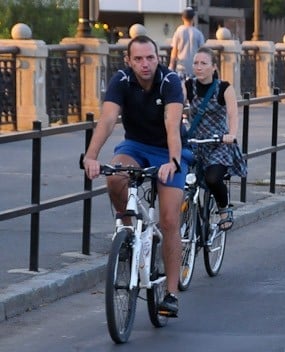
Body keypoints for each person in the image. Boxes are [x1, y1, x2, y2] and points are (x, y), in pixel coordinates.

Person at [82, 35, 187, 317]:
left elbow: (173, 125)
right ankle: (127, 231)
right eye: (138, 59)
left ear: (158, 58)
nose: (145, 64)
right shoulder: (121, 80)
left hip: (168, 149)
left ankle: (171, 293)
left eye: (150, 58)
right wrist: (91, 156)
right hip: (136, 146)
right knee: (115, 176)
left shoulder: (170, 81)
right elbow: (106, 120)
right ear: (128, 61)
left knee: (168, 220)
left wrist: (173, 161)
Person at [184, 46, 244, 231]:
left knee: (212, 179)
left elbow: (233, 115)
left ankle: (224, 209)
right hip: (194, 142)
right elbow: (176, 108)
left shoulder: (224, 88)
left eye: (204, 63)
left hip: (218, 143)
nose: (199, 67)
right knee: (180, 181)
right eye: (196, 63)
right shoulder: (188, 86)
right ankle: (185, 215)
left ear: (213, 67)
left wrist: (231, 135)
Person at [169, 7, 205, 79]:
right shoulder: (198, 33)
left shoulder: (179, 31)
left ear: (183, 18)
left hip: (181, 67)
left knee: (181, 88)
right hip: (195, 68)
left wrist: (171, 66)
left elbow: (174, 50)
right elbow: (203, 52)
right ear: (193, 18)